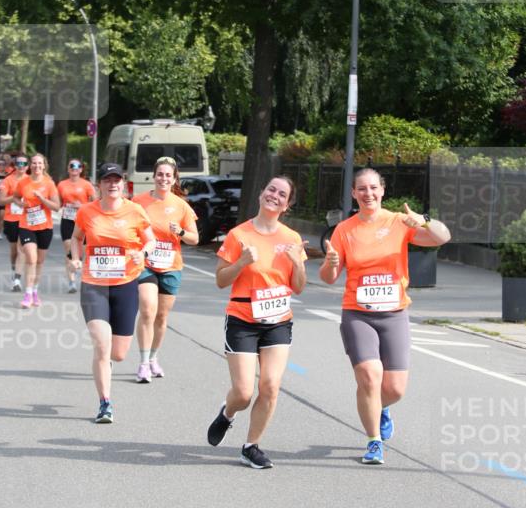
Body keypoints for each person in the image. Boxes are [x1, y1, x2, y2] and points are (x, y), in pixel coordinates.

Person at [319, 167, 451, 465]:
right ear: (354, 193)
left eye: (373, 188)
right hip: (358, 313)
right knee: (369, 376)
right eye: (361, 189)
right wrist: (330, 262)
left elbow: (442, 237)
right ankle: (374, 441)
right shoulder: (345, 230)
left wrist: (425, 221)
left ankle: (380, 407)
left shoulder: (398, 222)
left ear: (382, 190)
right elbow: (328, 277)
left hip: (394, 313)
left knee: (394, 389)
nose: (368, 194)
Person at [206, 176, 307, 469]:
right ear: (262, 193)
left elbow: (298, 286)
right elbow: (221, 281)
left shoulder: (292, 239)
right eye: (271, 189)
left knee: (271, 385)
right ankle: (227, 413)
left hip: (277, 320)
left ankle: (251, 446)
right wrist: (240, 263)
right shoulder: (239, 235)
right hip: (242, 319)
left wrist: (298, 262)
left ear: (287, 205)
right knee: (243, 393)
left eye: (282, 194)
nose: (274, 195)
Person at [70, 162, 155, 424]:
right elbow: (76, 237)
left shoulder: (135, 211)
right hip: (94, 284)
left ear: (123, 182)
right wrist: (75, 257)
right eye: (107, 180)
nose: (112, 184)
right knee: (102, 344)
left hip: (126, 283)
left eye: (116, 179)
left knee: (118, 354)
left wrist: (143, 252)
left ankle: (107, 363)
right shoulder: (87, 211)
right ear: (100, 184)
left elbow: (150, 239)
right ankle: (105, 402)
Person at [132, 156, 199, 382]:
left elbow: (194, 239)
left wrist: (179, 232)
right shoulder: (139, 202)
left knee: (161, 316)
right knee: (148, 311)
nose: (163, 178)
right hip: (146, 264)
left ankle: (153, 358)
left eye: (168, 175)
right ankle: (142, 363)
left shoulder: (181, 206)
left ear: (174, 179)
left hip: (171, 266)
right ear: (154, 176)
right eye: (160, 174)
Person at [13, 154, 60, 308]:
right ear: (30, 165)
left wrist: (42, 199)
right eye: (34, 163)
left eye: (39, 163)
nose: (37, 166)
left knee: (39, 261)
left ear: (44, 166)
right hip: (26, 225)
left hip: (45, 227)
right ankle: (27, 295)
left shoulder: (49, 184)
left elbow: (56, 206)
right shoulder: (23, 182)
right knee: (31, 259)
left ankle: (34, 291)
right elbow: (15, 197)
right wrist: (20, 204)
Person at [56, 159, 96, 293]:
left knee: (83, 252)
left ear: (81, 169)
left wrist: (82, 206)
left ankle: (85, 277)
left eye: (78, 166)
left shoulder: (87, 185)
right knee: (69, 249)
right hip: (67, 219)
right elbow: (58, 202)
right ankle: (72, 282)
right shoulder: (62, 185)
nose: (75, 168)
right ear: (68, 169)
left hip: (82, 221)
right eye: (71, 166)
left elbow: (96, 202)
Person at [0, 154, 28, 290]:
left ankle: (17, 280)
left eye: (24, 163)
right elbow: (1, 200)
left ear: (27, 166)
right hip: (11, 219)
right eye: (18, 163)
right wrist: (14, 198)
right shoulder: (8, 180)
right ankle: (14, 269)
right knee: (14, 250)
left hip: (27, 219)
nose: (21, 166)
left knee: (22, 250)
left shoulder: (31, 180)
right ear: (15, 165)